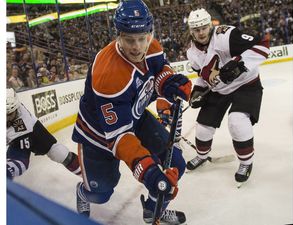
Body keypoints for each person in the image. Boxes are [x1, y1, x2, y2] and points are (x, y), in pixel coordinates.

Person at [71, 0, 191, 224]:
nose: (137, 47)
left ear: (149, 33)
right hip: (97, 137)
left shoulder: (151, 45)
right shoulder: (107, 75)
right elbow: (120, 138)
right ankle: (82, 192)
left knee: (176, 162)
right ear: (118, 35)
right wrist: (150, 174)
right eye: (129, 40)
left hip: (134, 119)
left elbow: (160, 69)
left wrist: (169, 84)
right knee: (101, 194)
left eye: (142, 38)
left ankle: (152, 209)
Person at [185, 8, 270, 186]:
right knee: (202, 127)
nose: (200, 32)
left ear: (210, 25)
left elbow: (263, 45)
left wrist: (238, 64)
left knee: (237, 122)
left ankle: (246, 163)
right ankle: (202, 155)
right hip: (220, 90)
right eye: (196, 29)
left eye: (203, 27)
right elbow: (202, 75)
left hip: (246, 85)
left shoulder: (226, 35)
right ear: (191, 31)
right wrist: (198, 91)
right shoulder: (191, 53)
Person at [6, 88, 81, 179]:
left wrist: (8, 170)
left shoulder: (23, 127)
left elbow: (21, 162)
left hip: (32, 132)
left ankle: (87, 175)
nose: (6, 118)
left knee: (58, 153)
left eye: (9, 114)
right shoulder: (11, 105)